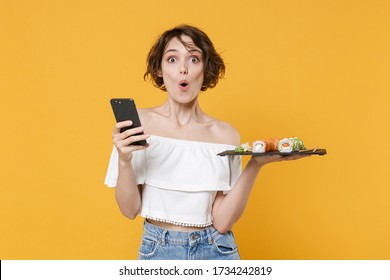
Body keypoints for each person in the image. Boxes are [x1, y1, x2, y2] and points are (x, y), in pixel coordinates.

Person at [105, 24, 308, 260]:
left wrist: (255, 164)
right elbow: (128, 210)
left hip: (216, 250)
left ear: (205, 69)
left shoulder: (226, 135)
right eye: (172, 59)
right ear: (159, 69)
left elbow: (222, 221)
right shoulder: (138, 125)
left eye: (193, 59)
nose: (183, 69)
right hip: (158, 250)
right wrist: (124, 159)